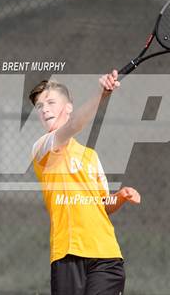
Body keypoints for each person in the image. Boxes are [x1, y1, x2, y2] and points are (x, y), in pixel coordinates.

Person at [30, 70, 141, 295]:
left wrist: (119, 197)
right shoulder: (42, 147)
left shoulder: (90, 156)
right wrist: (101, 94)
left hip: (107, 255)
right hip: (67, 254)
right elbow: (73, 127)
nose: (45, 109)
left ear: (69, 106)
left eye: (51, 102)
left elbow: (103, 204)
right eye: (39, 106)